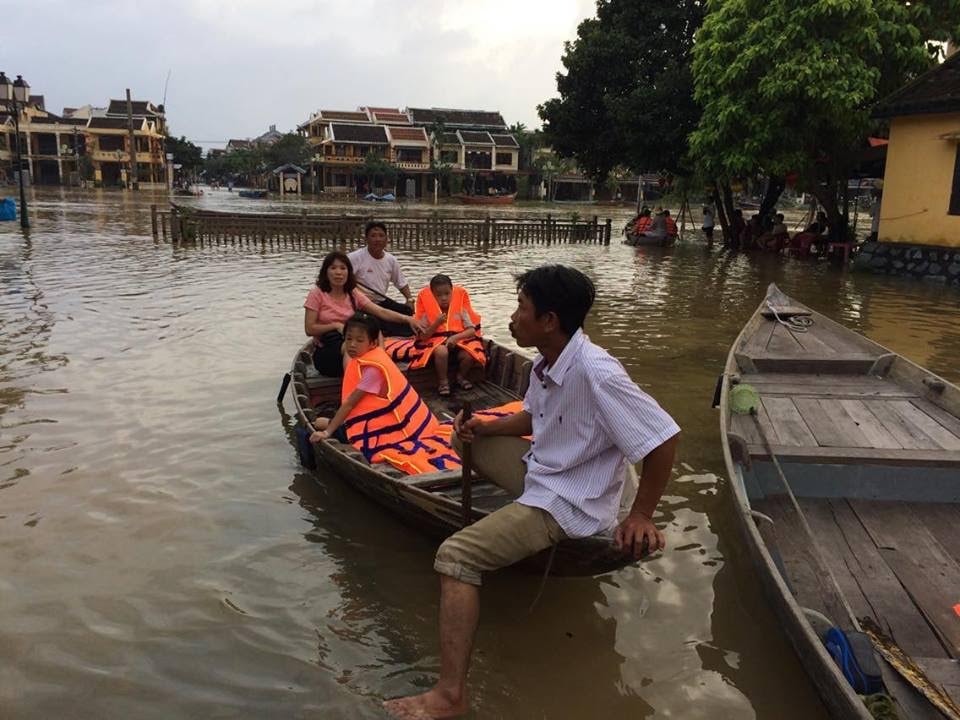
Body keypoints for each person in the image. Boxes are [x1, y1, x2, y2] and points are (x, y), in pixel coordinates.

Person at [384, 265, 681, 720]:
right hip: (544, 474)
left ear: (549, 321)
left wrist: (641, 514)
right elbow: (533, 419)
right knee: (459, 438)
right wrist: (485, 427)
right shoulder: (547, 362)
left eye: (522, 309)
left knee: (456, 556)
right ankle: (501, 519)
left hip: (567, 502)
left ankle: (449, 696)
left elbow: (662, 438)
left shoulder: (596, 370)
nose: (512, 318)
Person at [309, 312, 460, 474]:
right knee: (320, 423)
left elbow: (350, 403)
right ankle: (330, 427)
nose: (352, 345)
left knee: (319, 426)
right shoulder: (373, 355)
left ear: (372, 343)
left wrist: (327, 433)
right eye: (348, 339)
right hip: (382, 419)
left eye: (359, 340)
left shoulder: (373, 370)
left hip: (388, 429)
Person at [304, 251, 423, 376]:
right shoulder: (316, 294)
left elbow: (380, 311)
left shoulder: (351, 293)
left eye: (343, 268)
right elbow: (309, 329)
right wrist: (336, 325)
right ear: (326, 272)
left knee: (374, 327)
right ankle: (353, 385)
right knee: (350, 347)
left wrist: (408, 319)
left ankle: (382, 363)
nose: (338, 272)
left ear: (348, 273)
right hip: (328, 351)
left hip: (352, 341)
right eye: (333, 268)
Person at [412, 274, 486, 397]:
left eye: (447, 294)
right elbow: (423, 337)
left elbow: (471, 331)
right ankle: (443, 381)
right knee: (442, 351)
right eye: (439, 295)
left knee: (469, 355)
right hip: (437, 349)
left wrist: (455, 338)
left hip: (457, 344)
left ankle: (461, 376)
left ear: (452, 292)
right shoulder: (427, 313)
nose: (444, 298)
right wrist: (436, 323)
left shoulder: (461, 310)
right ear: (433, 296)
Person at [348, 221, 416, 336]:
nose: (377, 239)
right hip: (362, 304)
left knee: (407, 312)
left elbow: (401, 283)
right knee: (379, 323)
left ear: (386, 239)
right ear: (366, 239)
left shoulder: (391, 260)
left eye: (381, 236)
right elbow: (344, 282)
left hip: (380, 300)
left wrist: (410, 299)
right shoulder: (354, 258)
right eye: (373, 236)